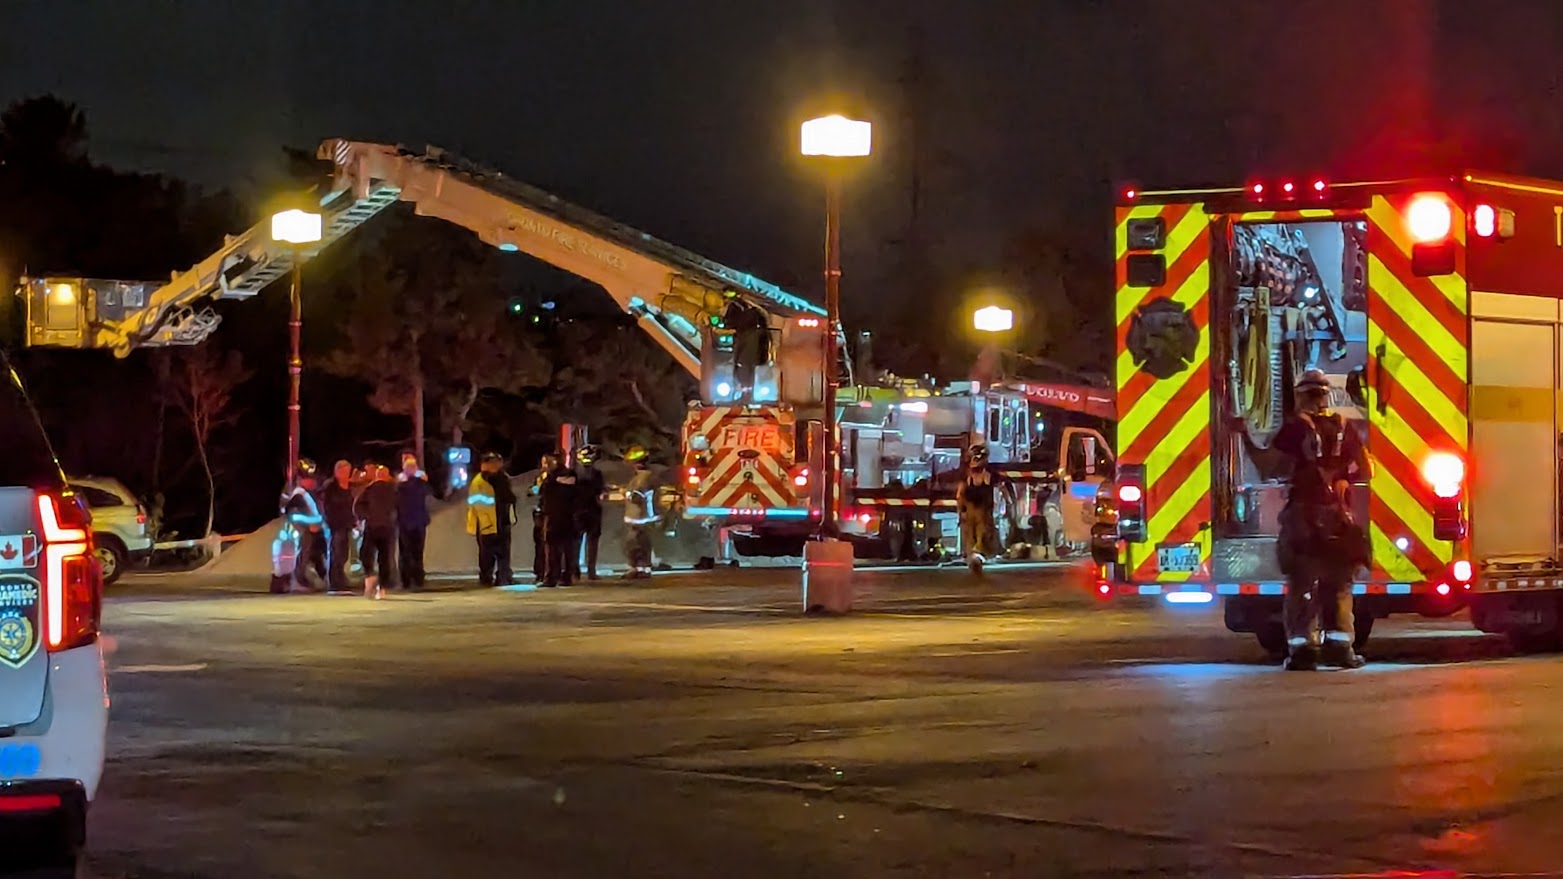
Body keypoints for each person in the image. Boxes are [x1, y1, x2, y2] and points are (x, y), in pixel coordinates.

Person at [1274, 368, 1372, 671]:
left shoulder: (1294, 428)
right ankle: (1341, 649)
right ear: (1325, 394)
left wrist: (1245, 439)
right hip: (1338, 519)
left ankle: (1303, 651)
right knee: (1339, 584)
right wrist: (1344, 481)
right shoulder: (1344, 426)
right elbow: (1367, 470)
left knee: (1303, 584)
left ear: (1301, 395)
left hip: (1303, 518)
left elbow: (1272, 467)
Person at [955, 442, 1011, 573]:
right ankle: (975, 555)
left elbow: (960, 494)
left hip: (978, 509)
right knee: (979, 532)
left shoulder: (976, 476)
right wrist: (1008, 502)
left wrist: (960, 510)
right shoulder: (983, 476)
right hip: (979, 510)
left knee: (977, 532)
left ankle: (974, 555)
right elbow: (961, 494)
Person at [277, 458, 324, 594]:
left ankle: (314, 577)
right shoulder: (294, 490)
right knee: (299, 553)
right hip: (298, 528)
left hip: (313, 527)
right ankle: (296, 580)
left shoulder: (310, 492)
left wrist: (317, 522)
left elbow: (317, 508)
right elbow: (287, 509)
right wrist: (308, 522)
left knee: (313, 553)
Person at [355, 464, 398, 599]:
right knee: (384, 558)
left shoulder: (369, 489)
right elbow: (399, 506)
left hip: (372, 526)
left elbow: (357, 506)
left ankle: (370, 576)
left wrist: (365, 516)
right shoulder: (394, 490)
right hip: (387, 527)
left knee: (366, 554)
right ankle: (382, 587)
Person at [538, 454, 580, 587]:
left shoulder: (567, 474)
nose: (545, 466)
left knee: (566, 548)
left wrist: (551, 479)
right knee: (552, 548)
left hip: (565, 516)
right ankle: (553, 576)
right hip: (551, 515)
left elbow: (568, 488)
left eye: (547, 462)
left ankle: (565, 576)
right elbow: (540, 492)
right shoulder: (547, 477)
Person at [467, 453, 507, 587]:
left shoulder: (502, 478)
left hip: (502, 521)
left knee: (503, 553)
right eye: (494, 462)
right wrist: (486, 520)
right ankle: (486, 578)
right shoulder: (479, 482)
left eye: (498, 462)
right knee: (487, 555)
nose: (497, 465)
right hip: (486, 524)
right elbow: (476, 503)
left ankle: (503, 577)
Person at [320, 460, 359, 594]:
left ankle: (340, 579)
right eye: (343, 471)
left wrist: (354, 521)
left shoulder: (349, 487)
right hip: (334, 525)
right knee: (336, 553)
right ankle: (334, 582)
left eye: (348, 471)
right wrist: (328, 521)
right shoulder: (330, 487)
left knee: (343, 554)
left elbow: (351, 506)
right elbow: (325, 506)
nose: (346, 474)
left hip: (346, 525)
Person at [396, 451, 432, 591]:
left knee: (416, 552)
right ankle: (409, 579)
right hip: (407, 522)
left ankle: (416, 578)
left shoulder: (419, 483)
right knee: (407, 552)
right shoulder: (401, 485)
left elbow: (428, 494)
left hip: (416, 522)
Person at [620, 446, 657, 579]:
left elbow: (637, 496)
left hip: (639, 517)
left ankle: (640, 568)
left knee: (635, 544)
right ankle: (640, 568)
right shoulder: (644, 476)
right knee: (639, 543)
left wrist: (625, 493)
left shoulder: (644, 477)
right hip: (640, 517)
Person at [573, 444, 607, 580]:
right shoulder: (575, 473)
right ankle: (578, 569)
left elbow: (600, 490)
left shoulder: (593, 474)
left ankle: (586, 570)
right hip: (582, 510)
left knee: (587, 541)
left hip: (589, 509)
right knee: (579, 541)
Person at [489, 453, 518, 586]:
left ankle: (500, 575)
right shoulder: (499, 478)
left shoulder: (486, 478)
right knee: (502, 550)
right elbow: (507, 497)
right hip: (500, 518)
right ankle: (503, 576)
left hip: (494, 519)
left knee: (494, 550)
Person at [529, 453, 559, 582]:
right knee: (539, 543)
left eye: (547, 463)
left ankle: (549, 572)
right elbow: (532, 491)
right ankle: (539, 571)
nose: (545, 466)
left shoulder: (554, 478)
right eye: (543, 463)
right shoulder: (540, 477)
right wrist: (533, 490)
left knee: (548, 544)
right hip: (539, 513)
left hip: (550, 514)